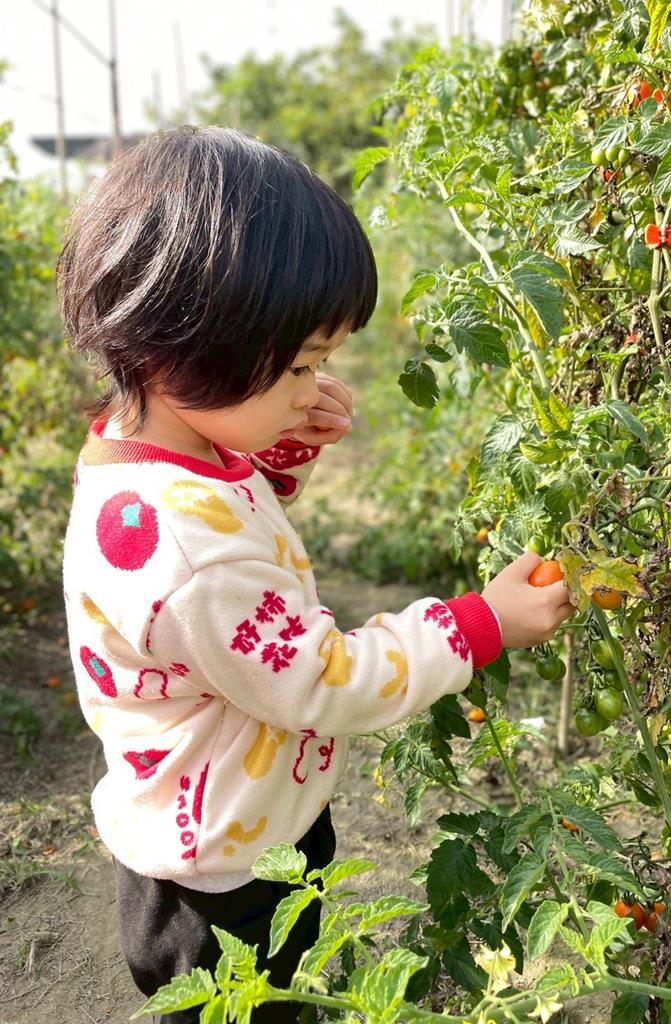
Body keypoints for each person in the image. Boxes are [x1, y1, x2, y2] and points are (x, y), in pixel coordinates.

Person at [58, 126, 573, 1023]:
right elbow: (321, 679)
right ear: (181, 345)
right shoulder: (189, 554)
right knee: (249, 1003)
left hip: (233, 810)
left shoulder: (147, 454)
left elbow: (230, 514)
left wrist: (280, 446)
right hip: (222, 883)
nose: (313, 387)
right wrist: (477, 625)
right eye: (299, 365)